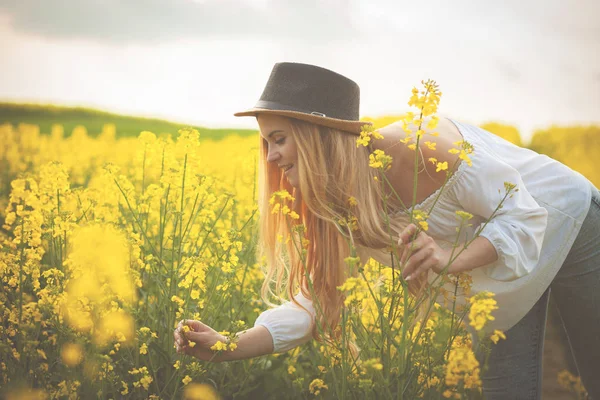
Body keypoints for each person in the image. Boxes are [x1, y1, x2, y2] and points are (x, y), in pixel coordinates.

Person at [173, 62, 600, 399]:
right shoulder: (332, 202)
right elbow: (321, 298)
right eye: (266, 143)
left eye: (279, 139)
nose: (271, 157)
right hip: (497, 280)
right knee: (506, 392)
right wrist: (230, 346)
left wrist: (448, 260)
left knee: (595, 369)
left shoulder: (421, 147)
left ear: (318, 136)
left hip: (568, 220)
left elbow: (521, 214)